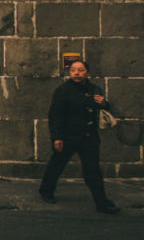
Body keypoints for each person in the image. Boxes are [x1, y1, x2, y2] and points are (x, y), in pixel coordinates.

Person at [38, 60, 120, 214]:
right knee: (57, 165)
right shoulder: (63, 90)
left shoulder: (95, 89)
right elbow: (55, 116)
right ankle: (46, 191)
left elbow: (100, 110)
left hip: (89, 137)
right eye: (73, 70)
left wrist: (104, 104)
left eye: (80, 70)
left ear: (87, 72)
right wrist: (56, 137)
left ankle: (101, 203)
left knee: (93, 171)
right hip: (68, 136)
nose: (76, 73)